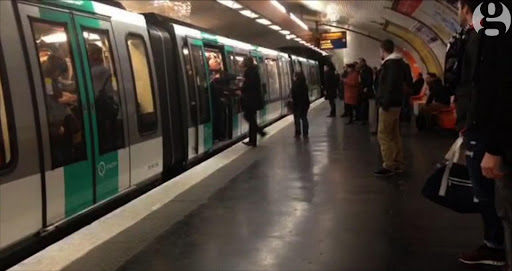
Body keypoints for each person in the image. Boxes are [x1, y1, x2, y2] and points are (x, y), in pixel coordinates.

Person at [455, 0, 509, 267]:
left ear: (466, 8)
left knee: (487, 193)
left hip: (483, 130)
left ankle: (495, 246)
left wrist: (471, 127)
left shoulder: (488, 34)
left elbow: (488, 87)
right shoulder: (484, 33)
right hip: (483, 128)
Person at [374, 39, 412, 176]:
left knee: (383, 135)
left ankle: (389, 165)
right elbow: (408, 82)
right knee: (395, 135)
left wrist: (384, 103)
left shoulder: (390, 65)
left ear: (383, 50)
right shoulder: (401, 64)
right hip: (397, 104)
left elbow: (388, 86)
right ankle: (398, 162)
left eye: (380, 50)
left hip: (389, 105)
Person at [209, 57, 236, 141]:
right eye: (210, 65)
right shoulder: (208, 74)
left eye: (213, 65)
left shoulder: (224, 74)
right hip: (212, 99)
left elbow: (233, 77)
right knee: (215, 117)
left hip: (221, 99)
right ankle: (216, 135)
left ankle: (221, 135)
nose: (211, 66)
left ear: (218, 65)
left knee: (220, 117)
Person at [240, 56, 266, 147]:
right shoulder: (255, 71)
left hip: (250, 100)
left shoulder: (249, 72)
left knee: (248, 117)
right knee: (251, 119)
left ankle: (259, 132)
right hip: (254, 99)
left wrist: (241, 88)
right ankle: (253, 140)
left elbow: (249, 85)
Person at [291, 71, 310, 138]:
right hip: (305, 104)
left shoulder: (295, 84)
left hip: (297, 104)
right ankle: (305, 132)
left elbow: (294, 95)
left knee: (297, 119)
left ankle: (298, 133)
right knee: (304, 118)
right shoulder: (304, 84)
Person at [358, 58, 374, 124]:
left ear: (364, 62)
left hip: (365, 88)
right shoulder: (361, 69)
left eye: (360, 62)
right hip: (362, 88)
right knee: (363, 103)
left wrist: (367, 87)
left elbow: (370, 79)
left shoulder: (368, 69)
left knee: (364, 104)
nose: (359, 63)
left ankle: (364, 119)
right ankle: (363, 118)